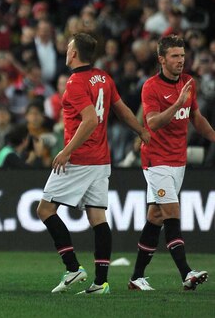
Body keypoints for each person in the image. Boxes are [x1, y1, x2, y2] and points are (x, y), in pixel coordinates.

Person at [36, 33, 150, 295]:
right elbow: (121, 110)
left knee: (44, 210)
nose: (66, 51)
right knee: (97, 217)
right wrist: (141, 131)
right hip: (101, 159)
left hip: (79, 159)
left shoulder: (75, 83)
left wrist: (66, 151)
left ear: (74, 54)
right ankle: (101, 282)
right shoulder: (104, 78)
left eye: (68, 47)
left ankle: (73, 267)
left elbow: (90, 120)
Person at [130, 35, 212, 291]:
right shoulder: (151, 87)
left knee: (155, 216)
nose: (180, 61)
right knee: (171, 213)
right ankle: (187, 273)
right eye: (175, 56)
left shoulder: (188, 82)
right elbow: (152, 122)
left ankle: (136, 278)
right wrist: (177, 103)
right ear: (161, 59)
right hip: (156, 160)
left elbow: (195, 117)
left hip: (178, 159)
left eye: (182, 55)